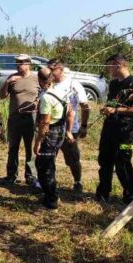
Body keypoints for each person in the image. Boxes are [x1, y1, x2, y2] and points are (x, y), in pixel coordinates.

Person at [96, 54, 133, 204]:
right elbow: (112, 102)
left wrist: (117, 110)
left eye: (109, 66)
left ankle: (129, 194)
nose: (108, 69)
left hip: (127, 130)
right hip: (110, 128)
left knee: (123, 161)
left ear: (118, 65)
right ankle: (103, 192)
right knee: (105, 160)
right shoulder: (113, 84)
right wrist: (107, 108)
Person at [47, 58, 91, 193]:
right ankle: (49, 183)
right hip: (50, 128)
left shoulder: (73, 84)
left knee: (72, 158)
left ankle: (77, 182)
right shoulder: (48, 84)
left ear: (60, 69)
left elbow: (85, 106)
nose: (49, 72)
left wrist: (84, 125)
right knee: (48, 157)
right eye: (48, 68)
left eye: (52, 69)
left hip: (70, 129)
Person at [34, 67, 75, 209]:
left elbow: (45, 122)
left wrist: (37, 142)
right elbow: (70, 113)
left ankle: (51, 200)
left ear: (40, 80)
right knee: (49, 164)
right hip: (61, 131)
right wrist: (69, 131)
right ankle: (50, 195)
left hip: (50, 135)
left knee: (44, 167)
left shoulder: (46, 97)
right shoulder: (62, 93)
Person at [0, 54, 40, 187]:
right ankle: (11, 175)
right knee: (13, 148)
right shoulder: (12, 77)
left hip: (31, 118)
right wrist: (7, 83)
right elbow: (2, 96)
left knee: (31, 148)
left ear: (29, 64)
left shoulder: (36, 78)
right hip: (15, 118)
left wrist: (37, 105)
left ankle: (31, 176)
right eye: (17, 62)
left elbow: (44, 94)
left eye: (22, 62)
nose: (19, 65)